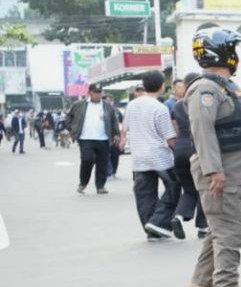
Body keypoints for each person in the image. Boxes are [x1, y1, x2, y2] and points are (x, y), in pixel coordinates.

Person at [183, 27, 241, 287]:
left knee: (220, 230)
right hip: (224, 175)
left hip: (238, 171)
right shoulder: (205, 88)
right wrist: (213, 170)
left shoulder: (223, 86)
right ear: (224, 52)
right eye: (233, 49)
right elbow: (202, 131)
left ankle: (202, 283)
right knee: (230, 230)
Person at [121, 70, 181, 240]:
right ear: (162, 86)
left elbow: (125, 127)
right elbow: (169, 137)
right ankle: (159, 221)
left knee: (144, 193)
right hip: (159, 157)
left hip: (138, 157)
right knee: (174, 186)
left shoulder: (132, 105)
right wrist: (179, 152)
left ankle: (151, 229)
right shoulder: (160, 108)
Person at [170, 72, 208, 239]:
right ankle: (202, 227)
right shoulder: (201, 102)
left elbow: (175, 130)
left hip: (179, 149)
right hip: (197, 149)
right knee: (204, 188)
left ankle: (178, 216)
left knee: (189, 189)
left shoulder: (177, 106)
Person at [67, 84, 121, 193]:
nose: (98, 94)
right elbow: (69, 117)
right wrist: (72, 129)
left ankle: (100, 186)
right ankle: (83, 183)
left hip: (103, 139)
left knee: (102, 163)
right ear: (89, 93)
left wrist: (116, 134)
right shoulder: (79, 105)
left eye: (99, 92)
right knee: (87, 160)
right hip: (85, 138)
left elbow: (113, 121)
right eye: (95, 92)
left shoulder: (107, 106)